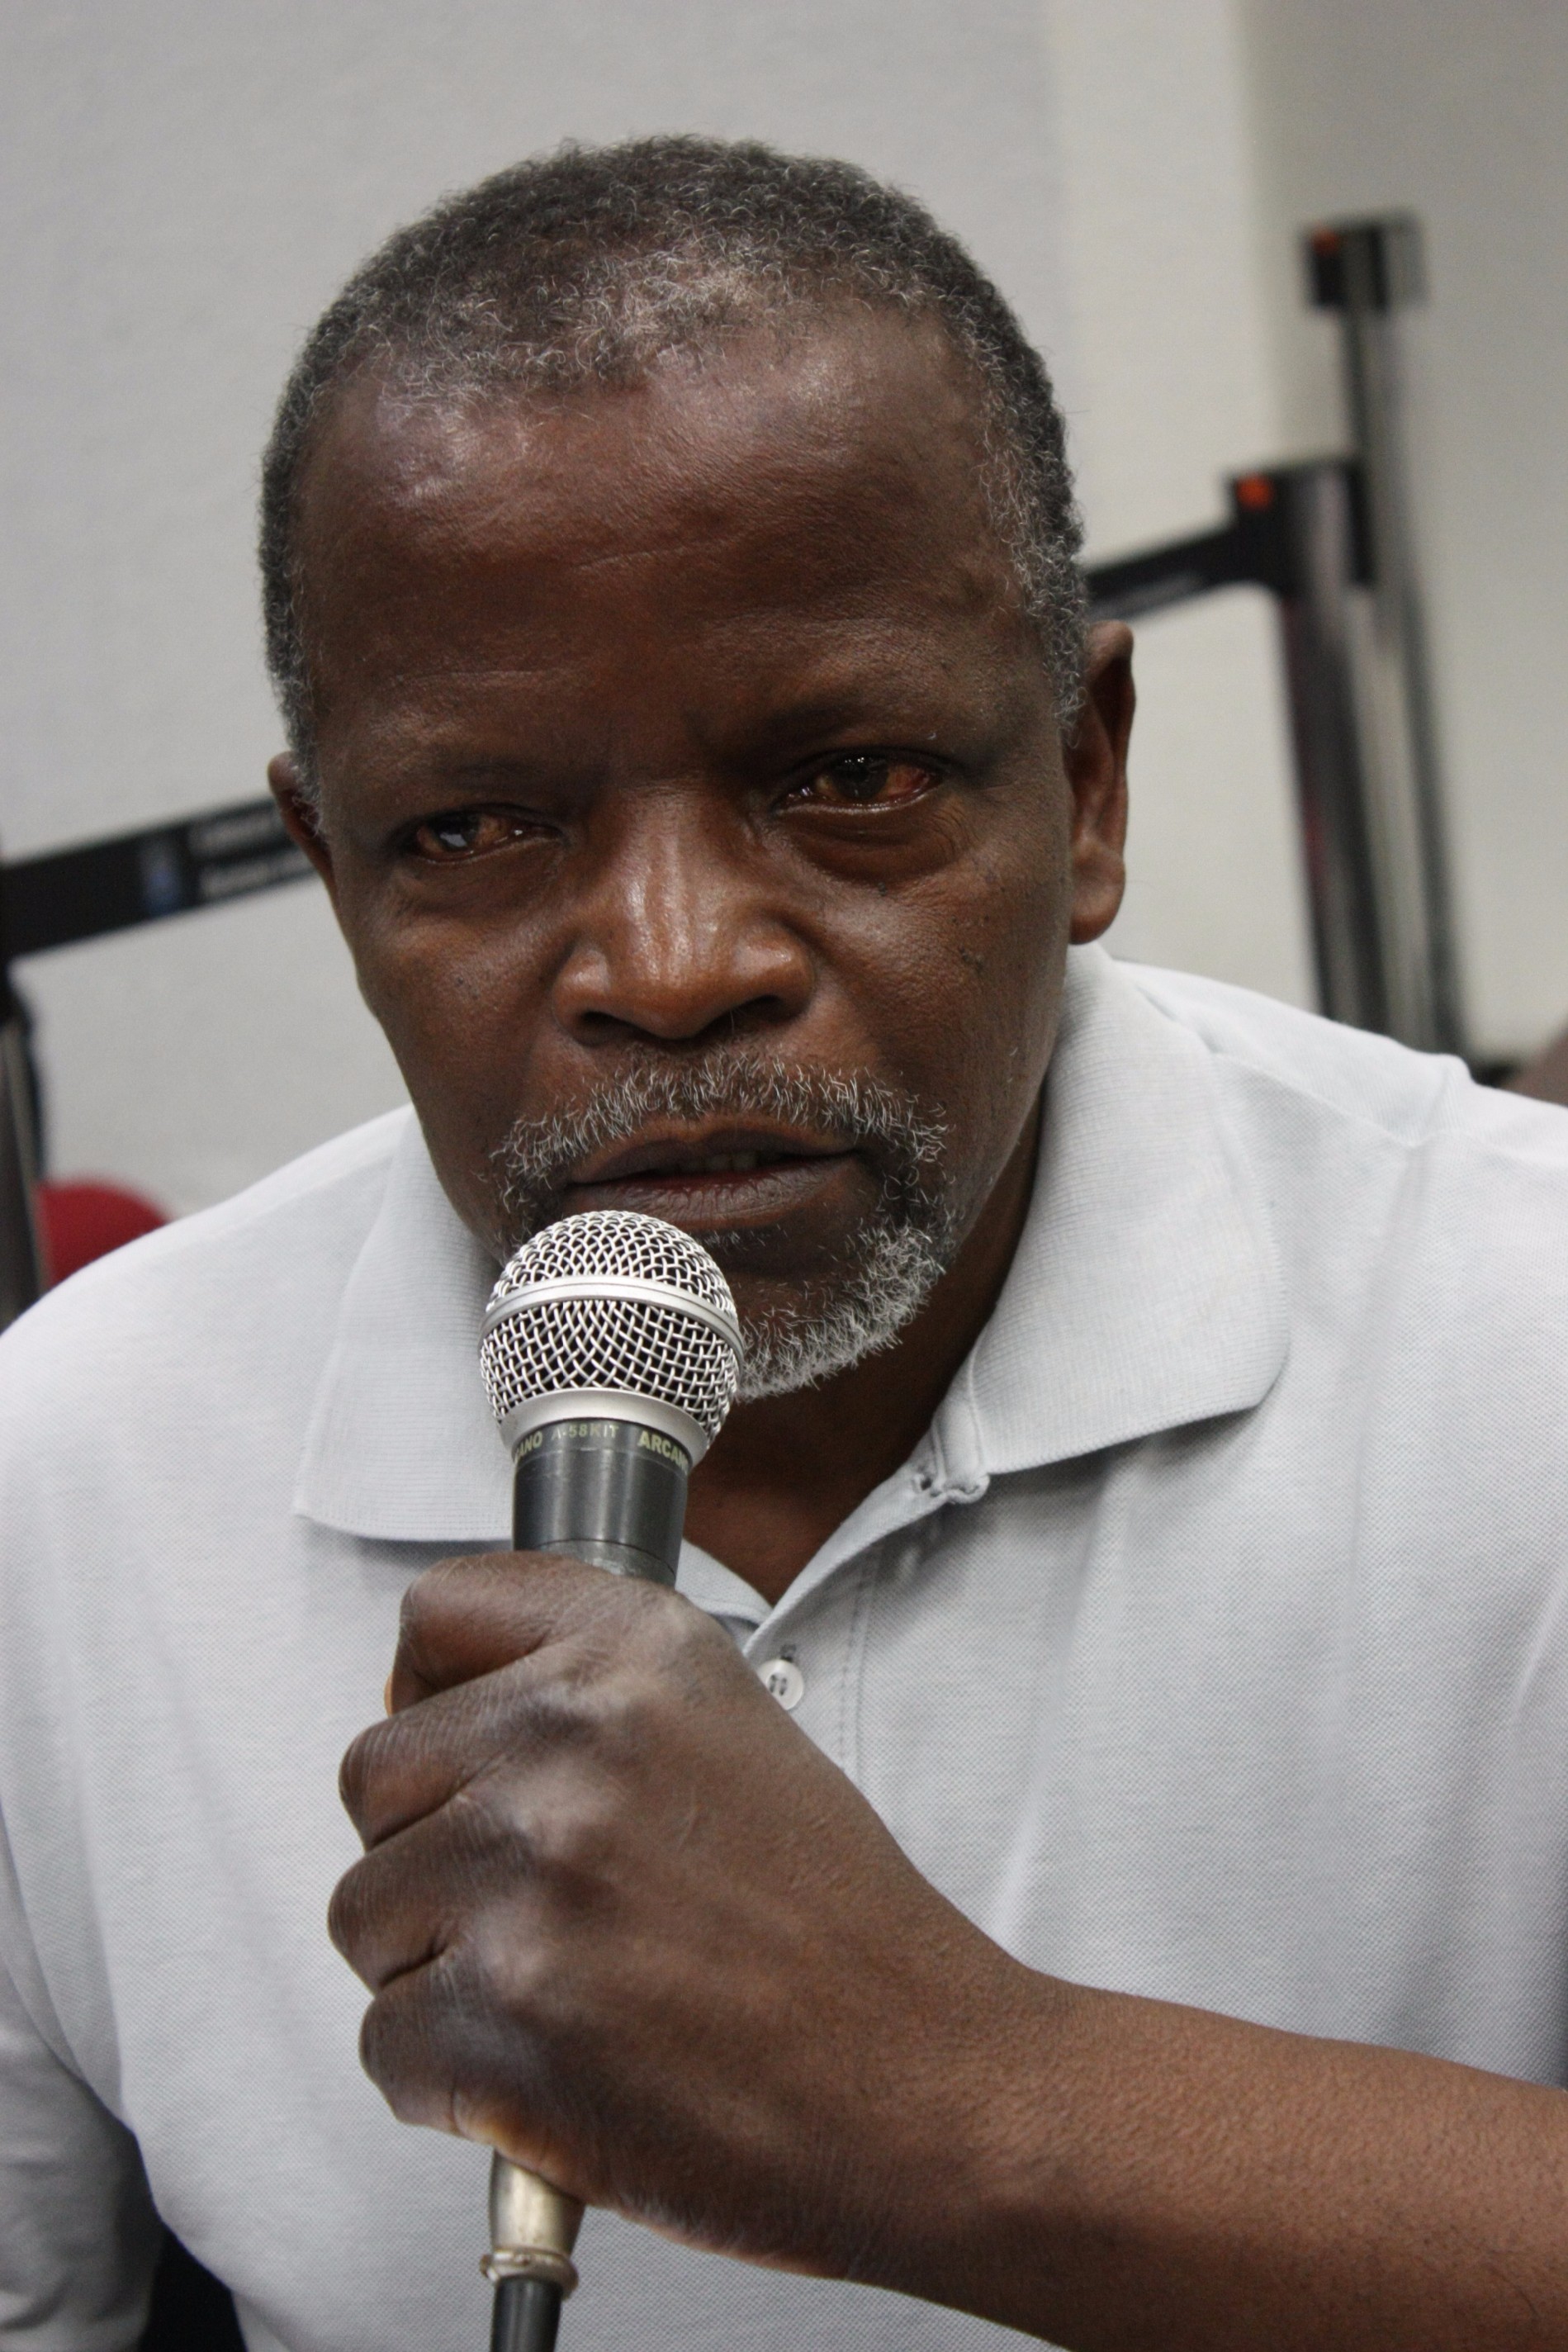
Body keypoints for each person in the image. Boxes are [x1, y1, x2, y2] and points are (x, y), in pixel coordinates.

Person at [3, 138, 1568, 2352]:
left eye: (846, 778)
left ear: (1087, 782)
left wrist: (962, 2100)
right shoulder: (60, 1485)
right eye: (475, 825)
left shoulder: (1523, 1324)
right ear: (336, 873)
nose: (671, 965)